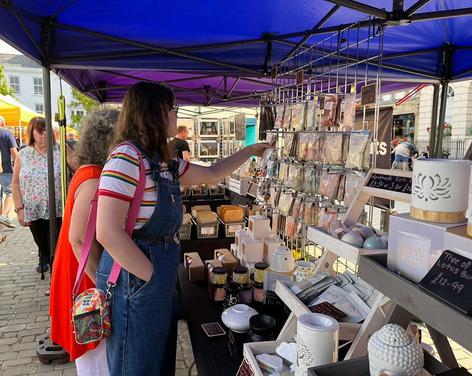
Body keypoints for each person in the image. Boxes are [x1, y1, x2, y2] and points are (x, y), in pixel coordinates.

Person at [95, 82, 271, 375]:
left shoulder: (164, 163)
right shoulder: (125, 158)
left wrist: (250, 150)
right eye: (171, 108)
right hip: (135, 280)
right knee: (134, 365)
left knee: (157, 361)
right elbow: (107, 231)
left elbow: (214, 172)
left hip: (156, 275)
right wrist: (150, 277)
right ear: (153, 113)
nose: (177, 115)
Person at [50, 109, 119, 376]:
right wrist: (105, 289)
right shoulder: (92, 177)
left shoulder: (88, 171)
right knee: (95, 350)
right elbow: (77, 239)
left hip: (79, 268)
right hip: (84, 273)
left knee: (92, 351)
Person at [12, 117, 62, 274]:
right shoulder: (24, 154)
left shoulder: (60, 151)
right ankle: (54, 280)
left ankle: (56, 283)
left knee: (58, 250)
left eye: (47, 130)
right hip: (34, 212)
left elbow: (78, 168)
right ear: (31, 132)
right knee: (45, 248)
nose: (44, 133)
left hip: (59, 211)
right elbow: (15, 183)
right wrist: (19, 209)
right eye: (40, 130)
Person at [0, 115, 18, 228]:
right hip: (6, 169)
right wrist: (19, 167)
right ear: (3, 123)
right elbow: (14, 152)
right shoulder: (6, 134)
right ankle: (4, 216)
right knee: (10, 193)